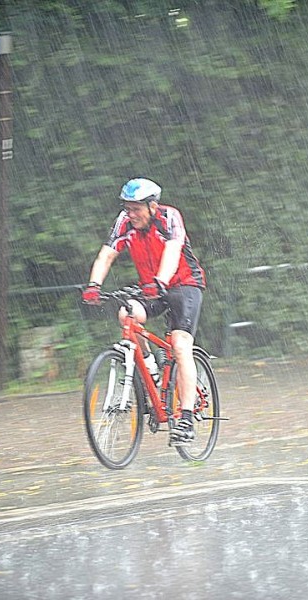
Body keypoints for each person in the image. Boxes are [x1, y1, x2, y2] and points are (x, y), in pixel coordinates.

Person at [82, 178, 206, 445]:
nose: (131, 214)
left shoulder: (169, 218)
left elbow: (173, 251)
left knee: (180, 343)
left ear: (152, 206)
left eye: (137, 208)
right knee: (127, 315)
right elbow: (106, 254)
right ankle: (151, 369)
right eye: (128, 207)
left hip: (184, 284)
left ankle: (185, 419)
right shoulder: (124, 222)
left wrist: (161, 281)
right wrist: (94, 285)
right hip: (151, 286)